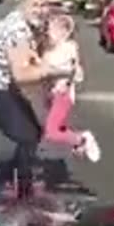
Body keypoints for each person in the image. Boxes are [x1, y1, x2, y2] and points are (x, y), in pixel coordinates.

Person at [0, 0, 74, 199]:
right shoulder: (16, 30)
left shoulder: (29, 25)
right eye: (35, 4)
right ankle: (20, 190)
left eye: (44, 5)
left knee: (33, 131)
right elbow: (22, 75)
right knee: (27, 136)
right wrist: (56, 70)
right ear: (23, 4)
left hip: (2, 87)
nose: (40, 10)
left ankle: (18, 176)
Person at [36, 13, 101, 162]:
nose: (48, 32)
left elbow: (75, 72)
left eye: (51, 29)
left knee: (51, 131)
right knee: (56, 127)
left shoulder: (68, 48)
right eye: (48, 29)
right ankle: (77, 143)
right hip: (52, 95)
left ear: (63, 33)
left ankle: (82, 139)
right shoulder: (47, 51)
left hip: (63, 95)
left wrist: (67, 81)